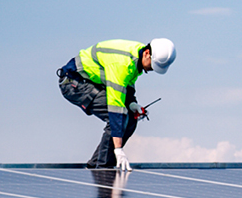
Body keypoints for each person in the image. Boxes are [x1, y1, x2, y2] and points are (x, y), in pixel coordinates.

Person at [57, 38, 175, 170]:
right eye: (153, 64)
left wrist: (132, 104)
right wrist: (118, 150)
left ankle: (96, 164)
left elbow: (127, 84)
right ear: (147, 53)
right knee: (120, 116)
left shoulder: (136, 55)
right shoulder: (121, 63)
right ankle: (103, 169)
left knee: (130, 117)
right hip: (74, 83)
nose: (152, 69)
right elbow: (115, 107)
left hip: (90, 81)